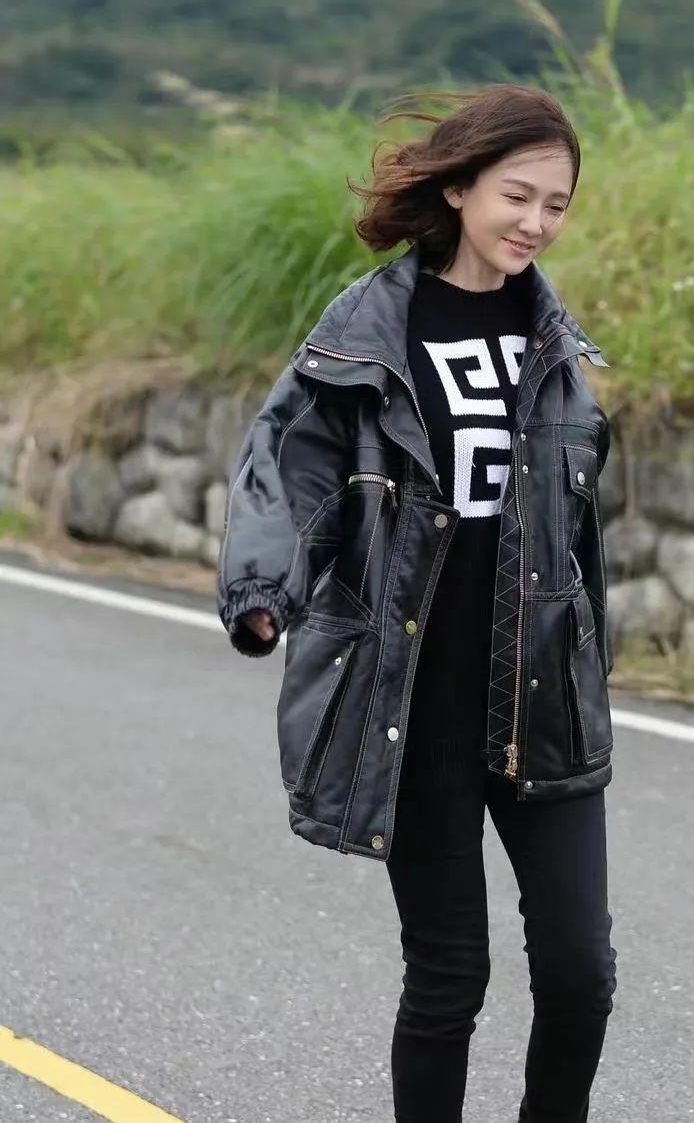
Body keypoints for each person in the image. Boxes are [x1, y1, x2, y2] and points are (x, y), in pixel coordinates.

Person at [217, 83, 618, 1123]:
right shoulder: (370, 330)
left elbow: (582, 531)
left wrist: (593, 653)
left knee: (580, 970)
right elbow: (286, 466)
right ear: (457, 188)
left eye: (557, 204)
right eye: (518, 196)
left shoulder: (557, 345)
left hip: (543, 696)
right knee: (449, 976)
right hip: (419, 692)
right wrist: (264, 591)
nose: (537, 223)